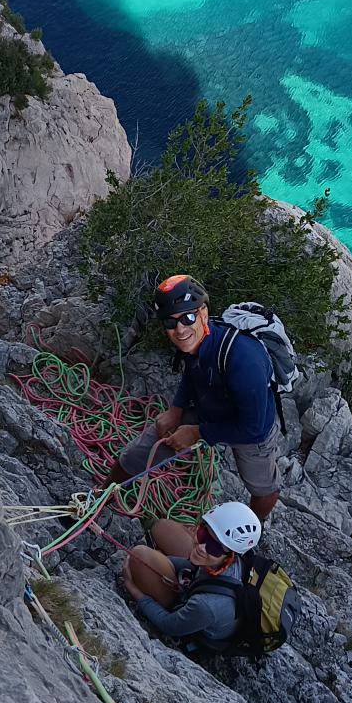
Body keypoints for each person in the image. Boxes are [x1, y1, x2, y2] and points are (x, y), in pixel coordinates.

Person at [115, 276, 282, 526]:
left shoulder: (244, 360)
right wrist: (176, 409)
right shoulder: (195, 340)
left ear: (203, 312)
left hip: (251, 426)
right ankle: (103, 496)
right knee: (141, 450)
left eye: (188, 318)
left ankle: (251, 528)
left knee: (263, 488)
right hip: (210, 406)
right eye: (170, 322)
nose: (180, 329)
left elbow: (253, 428)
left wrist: (197, 432)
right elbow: (192, 373)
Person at [122, 503, 260, 655]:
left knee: (140, 556)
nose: (201, 547)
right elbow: (194, 566)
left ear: (230, 556)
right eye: (203, 534)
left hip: (195, 618)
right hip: (201, 584)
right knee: (162, 527)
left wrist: (135, 591)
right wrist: (164, 561)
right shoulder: (226, 558)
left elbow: (169, 625)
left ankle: (168, 596)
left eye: (214, 547)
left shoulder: (207, 605)